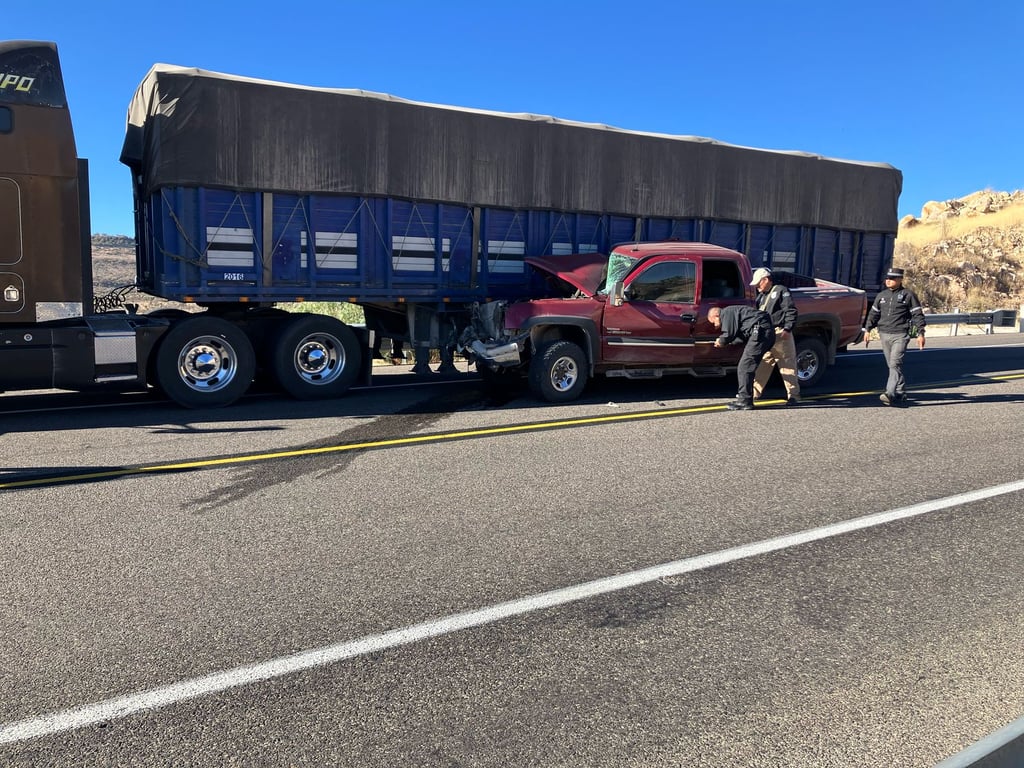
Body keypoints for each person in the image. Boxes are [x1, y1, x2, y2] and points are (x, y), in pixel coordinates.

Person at [862, 267, 926, 405]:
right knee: (893, 366)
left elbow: (917, 315)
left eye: (892, 278)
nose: (888, 280)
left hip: (901, 335)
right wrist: (867, 330)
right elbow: (873, 315)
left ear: (900, 279)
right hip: (884, 334)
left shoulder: (908, 295)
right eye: (887, 278)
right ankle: (901, 392)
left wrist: (921, 333)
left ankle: (889, 393)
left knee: (895, 363)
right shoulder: (881, 296)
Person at [749, 267, 801, 405]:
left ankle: (793, 395)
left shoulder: (780, 291)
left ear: (766, 280)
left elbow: (790, 310)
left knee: (787, 364)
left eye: (758, 283)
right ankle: (754, 393)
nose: (757, 287)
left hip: (780, 332)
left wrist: (788, 328)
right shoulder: (762, 296)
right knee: (764, 364)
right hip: (768, 334)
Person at [709, 304, 776, 410]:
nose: (715, 326)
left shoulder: (726, 313)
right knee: (747, 366)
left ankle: (745, 400)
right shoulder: (736, 313)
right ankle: (745, 398)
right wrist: (728, 343)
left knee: (745, 366)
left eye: (714, 322)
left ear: (716, 315)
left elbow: (729, 334)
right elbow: (741, 336)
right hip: (763, 332)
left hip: (760, 332)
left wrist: (721, 341)